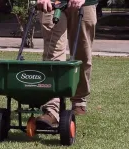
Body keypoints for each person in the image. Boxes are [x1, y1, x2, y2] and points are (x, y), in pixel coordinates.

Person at [34, 0, 98, 128]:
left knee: (82, 54)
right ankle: (51, 109)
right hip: (52, 3)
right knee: (53, 54)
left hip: (84, 4)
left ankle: (79, 100)